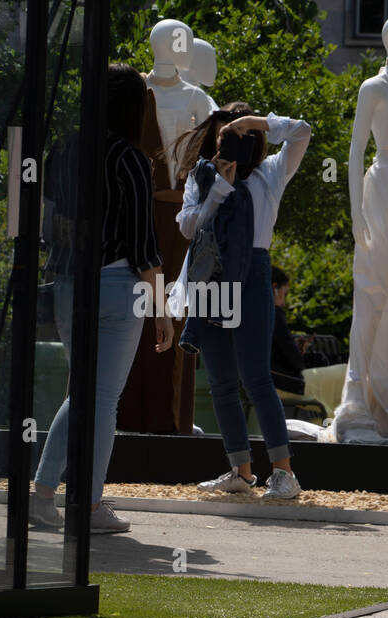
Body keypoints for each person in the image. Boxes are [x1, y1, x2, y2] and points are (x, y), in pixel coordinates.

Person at [30, 64, 174, 534]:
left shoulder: (64, 149)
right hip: (117, 287)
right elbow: (143, 244)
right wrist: (161, 309)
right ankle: (86, 506)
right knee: (102, 398)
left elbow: (49, 222)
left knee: (82, 393)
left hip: (69, 282)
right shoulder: (130, 158)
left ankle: (45, 495)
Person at [171, 104, 311, 499]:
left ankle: (284, 473)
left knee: (256, 377)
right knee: (220, 383)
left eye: (235, 136)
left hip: (252, 273)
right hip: (212, 274)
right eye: (222, 136)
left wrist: (253, 122)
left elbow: (302, 131)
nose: (228, 142)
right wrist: (218, 186)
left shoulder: (270, 173)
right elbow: (187, 227)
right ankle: (241, 470)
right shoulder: (203, 176)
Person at [269, 266, 306, 396]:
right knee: (341, 373)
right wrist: (299, 354)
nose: (284, 302)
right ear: (275, 288)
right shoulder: (273, 313)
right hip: (280, 383)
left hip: (257, 382)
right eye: (284, 294)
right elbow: (293, 358)